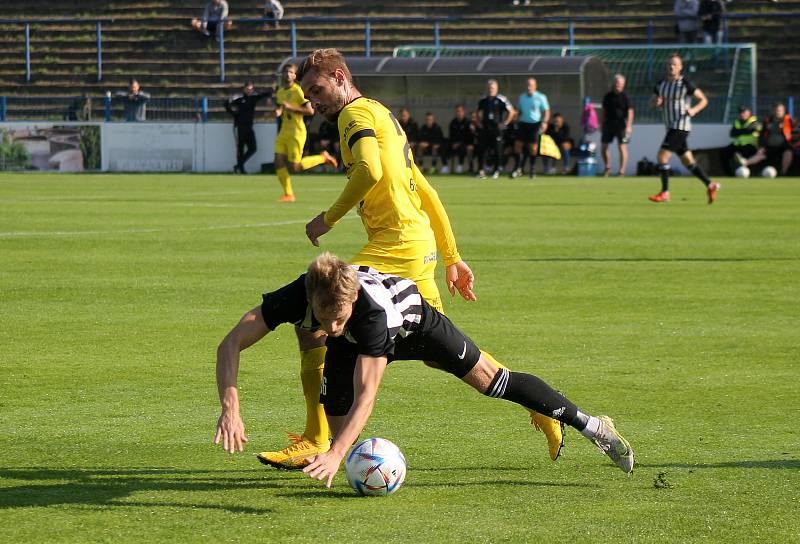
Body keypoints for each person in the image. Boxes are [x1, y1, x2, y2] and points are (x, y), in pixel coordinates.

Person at [255, 47, 564, 469]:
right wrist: (452, 256)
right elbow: (427, 191)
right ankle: (538, 404)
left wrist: (327, 219)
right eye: (307, 93)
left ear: (341, 77)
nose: (313, 101)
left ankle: (316, 437)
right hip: (416, 245)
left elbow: (369, 172)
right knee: (442, 351)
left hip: (393, 247)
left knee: (315, 320)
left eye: (317, 89)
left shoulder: (353, 116)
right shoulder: (384, 116)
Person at [213, 253, 636, 488]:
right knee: (336, 414)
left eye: (341, 318)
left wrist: (339, 451)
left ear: (352, 302)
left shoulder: (369, 317)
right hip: (363, 339)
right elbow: (229, 343)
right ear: (312, 297)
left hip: (415, 324)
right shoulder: (298, 295)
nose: (334, 328)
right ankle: (355, 470)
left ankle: (593, 426)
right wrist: (230, 407)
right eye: (329, 319)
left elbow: (369, 396)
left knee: (493, 381)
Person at [648, 53, 720, 204]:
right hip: (670, 127)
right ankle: (710, 185)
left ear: (680, 67)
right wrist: (656, 102)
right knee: (688, 160)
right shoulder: (661, 85)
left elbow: (703, 100)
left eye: (674, 64)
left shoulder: (685, 84)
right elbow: (652, 103)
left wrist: (694, 110)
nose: (671, 67)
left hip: (680, 126)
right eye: (669, 64)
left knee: (662, 157)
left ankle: (665, 192)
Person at [273, 63, 338, 202]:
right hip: (283, 131)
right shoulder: (280, 91)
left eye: (290, 72)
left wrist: (291, 107)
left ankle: (323, 158)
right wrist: (278, 111)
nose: (287, 75)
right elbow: (280, 108)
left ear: (295, 75)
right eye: (285, 72)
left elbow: (310, 111)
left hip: (296, 132)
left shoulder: (298, 91)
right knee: (278, 162)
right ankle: (288, 194)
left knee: (295, 167)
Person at [225, 81, 272, 174]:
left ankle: (238, 166)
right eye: (247, 89)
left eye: (251, 89)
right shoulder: (239, 98)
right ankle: (241, 169)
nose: (249, 91)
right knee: (240, 148)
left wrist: (271, 93)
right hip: (239, 127)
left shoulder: (253, 98)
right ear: (244, 89)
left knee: (253, 148)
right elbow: (226, 104)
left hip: (249, 127)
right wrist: (234, 113)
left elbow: (264, 95)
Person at [477, 79, 515, 179]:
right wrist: (479, 122)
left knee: (497, 150)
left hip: (497, 129)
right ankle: (481, 171)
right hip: (486, 128)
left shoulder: (501, 99)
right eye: (489, 87)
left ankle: (497, 170)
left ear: (497, 88)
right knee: (482, 149)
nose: (491, 89)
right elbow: (479, 112)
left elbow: (511, 111)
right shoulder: (483, 100)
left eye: (493, 88)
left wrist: (505, 123)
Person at [511, 77, 549, 179]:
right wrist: (515, 115)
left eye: (531, 85)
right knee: (518, 145)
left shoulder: (541, 97)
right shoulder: (522, 97)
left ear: (535, 86)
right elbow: (519, 111)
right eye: (527, 85)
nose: (529, 87)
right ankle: (518, 168)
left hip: (535, 124)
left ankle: (532, 169)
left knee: (533, 148)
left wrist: (545, 122)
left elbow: (546, 111)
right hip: (523, 123)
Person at [601, 74, 634, 177]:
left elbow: (630, 112)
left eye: (619, 83)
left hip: (621, 125)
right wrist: (602, 123)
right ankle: (607, 167)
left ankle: (621, 171)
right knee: (604, 147)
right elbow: (603, 111)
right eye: (616, 82)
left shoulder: (625, 97)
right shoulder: (607, 96)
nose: (617, 85)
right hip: (608, 124)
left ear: (623, 84)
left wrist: (629, 126)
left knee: (622, 147)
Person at [725, 105, 763, 174]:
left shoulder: (754, 121)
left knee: (746, 152)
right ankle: (729, 174)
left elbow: (749, 130)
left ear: (749, 112)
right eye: (740, 112)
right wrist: (744, 131)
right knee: (724, 152)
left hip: (751, 146)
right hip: (737, 145)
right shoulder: (737, 122)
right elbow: (732, 133)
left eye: (744, 112)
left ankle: (750, 173)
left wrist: (739, 131)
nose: (742, 114)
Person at [759, 102, 795, 176]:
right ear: (773, 111)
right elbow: (761, 135)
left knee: (788, 153)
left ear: (783, 111)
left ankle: (783, 173)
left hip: (784, 146)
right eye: (775, 110)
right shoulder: (767, 120)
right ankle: (746, 163)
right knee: (760, 153)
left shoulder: (789, 120)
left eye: (779, 110)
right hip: (770, 146)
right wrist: (761, 146)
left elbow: (795, 133)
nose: (777, 112)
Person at [446, 105, 475, 174]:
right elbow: (451, 136)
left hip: (465, 143)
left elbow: (469, 136)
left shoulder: (468, 122)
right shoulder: (453, 122)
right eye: (457, 111)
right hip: (454, 144)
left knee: (465, 148)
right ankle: (445, 166)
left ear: (463, 112)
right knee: (444, 147)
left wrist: (459, 143)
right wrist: (453, 143)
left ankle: (460, 165)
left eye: (460, 111)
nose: (458, 113)